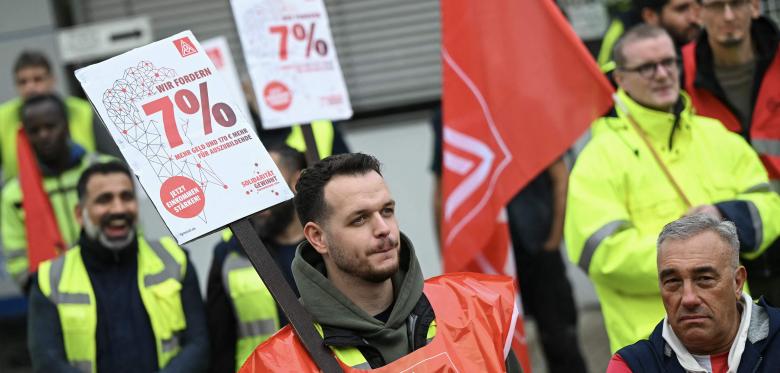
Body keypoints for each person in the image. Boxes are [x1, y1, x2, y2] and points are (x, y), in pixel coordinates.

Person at [565, 24, 780, 353]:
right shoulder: (599, 157)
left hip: (737, 342)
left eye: (669, 62)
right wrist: (693, 258)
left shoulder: (717, 135)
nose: (662, 74)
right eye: (647, 67)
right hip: (654, 350)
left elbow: (770, 207)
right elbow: (600, 255)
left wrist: (723, 213)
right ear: (620, 78)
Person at [239, 153, 521, 372]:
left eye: (387, 211)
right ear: (317, 237)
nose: (383, 228)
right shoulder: (280, 365)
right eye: (359, 219)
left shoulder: (476, 308)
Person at [429, 108, 585, 372]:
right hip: (486, 252)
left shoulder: (523, 105)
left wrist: (553, 239)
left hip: (537, 245)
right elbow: (444, 189)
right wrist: (450, 254)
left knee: (560, 339)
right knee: (492, 345)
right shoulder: (453, 109)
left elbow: (560, 176)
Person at [28, 161, 209, 372]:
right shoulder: (50, 279)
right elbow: (47, 362)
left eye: (127, 197)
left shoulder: (174, 259)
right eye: (104, 200)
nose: (119, 209)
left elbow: (199, 345)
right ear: (80, 214)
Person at [608, 214, 780, 372]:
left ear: (737, 282)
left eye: (704, 279)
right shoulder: (632, 366)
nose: (689, 299)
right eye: (673, 281)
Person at [206, 144, 306, 372]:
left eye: (265, 181)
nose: (255, 194)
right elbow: (219, 342)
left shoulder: (327, 244)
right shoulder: (229, 253)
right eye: (250, 184)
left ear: (297, 182)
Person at [1, 94, 113, 289]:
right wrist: (37, 289)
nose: (44, 135)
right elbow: (17, 256)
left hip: (112, 279)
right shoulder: (13, 194)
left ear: (67, 125)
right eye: (34, 130)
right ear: (24, 134)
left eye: (51, 126)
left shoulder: (105, 172)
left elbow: (131, 230)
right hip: (53, 292)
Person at [682, 1, 780, 185]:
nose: (728, 16)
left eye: (737, 4)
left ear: (755, 6)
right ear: (697, 13)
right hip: (723, 206)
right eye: (716, 6)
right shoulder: (676, 72)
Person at [0, 51, 106, 181]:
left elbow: (110, 160)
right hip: (24, 198)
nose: (30, 87)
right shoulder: (2, 118)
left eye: (38, 79)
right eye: (23, 82)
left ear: (52, 80)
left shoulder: (82, 111)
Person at [599, 0, 701, 69]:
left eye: (698, 5)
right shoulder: (620, 34)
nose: (694, 19)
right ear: (650, 15)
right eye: (682, 9)